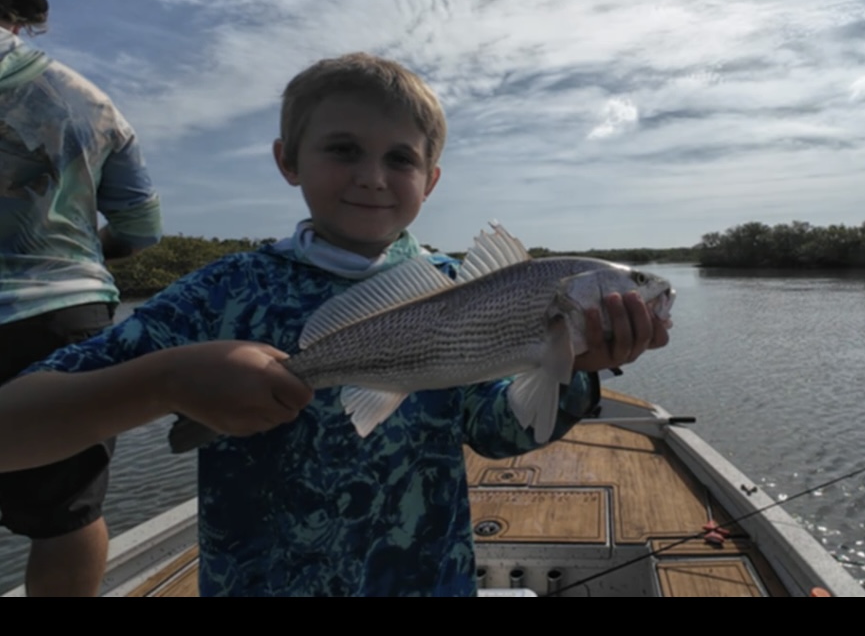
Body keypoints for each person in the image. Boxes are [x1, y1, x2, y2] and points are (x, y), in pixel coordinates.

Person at [0, 51, 669, 596]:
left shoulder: (462, 288)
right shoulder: (222, 294)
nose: (373, 177)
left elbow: (493, 430)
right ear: (287, 159)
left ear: (431, 180)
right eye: (343, 149)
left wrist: (576, 370)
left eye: (400, 159)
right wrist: (165, 381)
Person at [0, 0, 164, 596]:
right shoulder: (88, 100)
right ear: (19, 21)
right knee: (67, 514)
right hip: (56, 317)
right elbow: (141, 227)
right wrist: (88, 254)